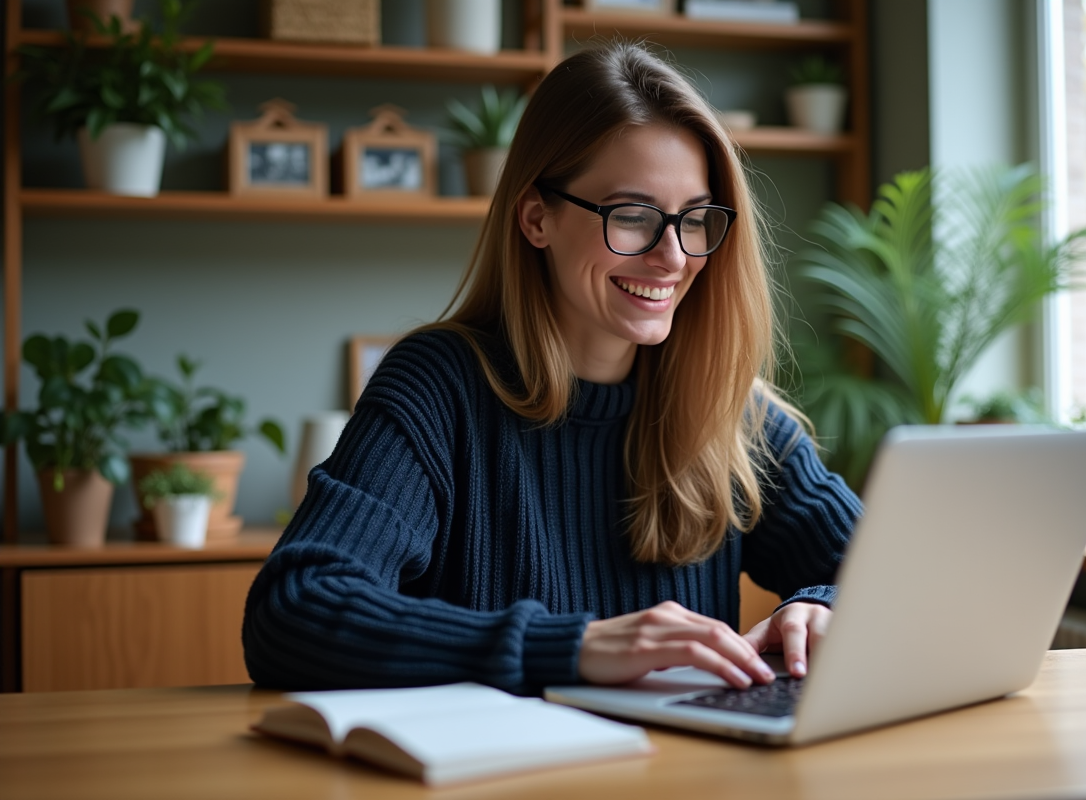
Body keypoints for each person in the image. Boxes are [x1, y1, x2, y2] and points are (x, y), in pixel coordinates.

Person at [242, 42, 862, 695]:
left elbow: (903, 573)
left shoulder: (726, 407)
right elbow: (294, 610)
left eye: (695, 221)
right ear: (538, 218)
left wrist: (821, 606)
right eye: (632, 217)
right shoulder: (440, 386)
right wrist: (570, 646)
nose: (673, 258)